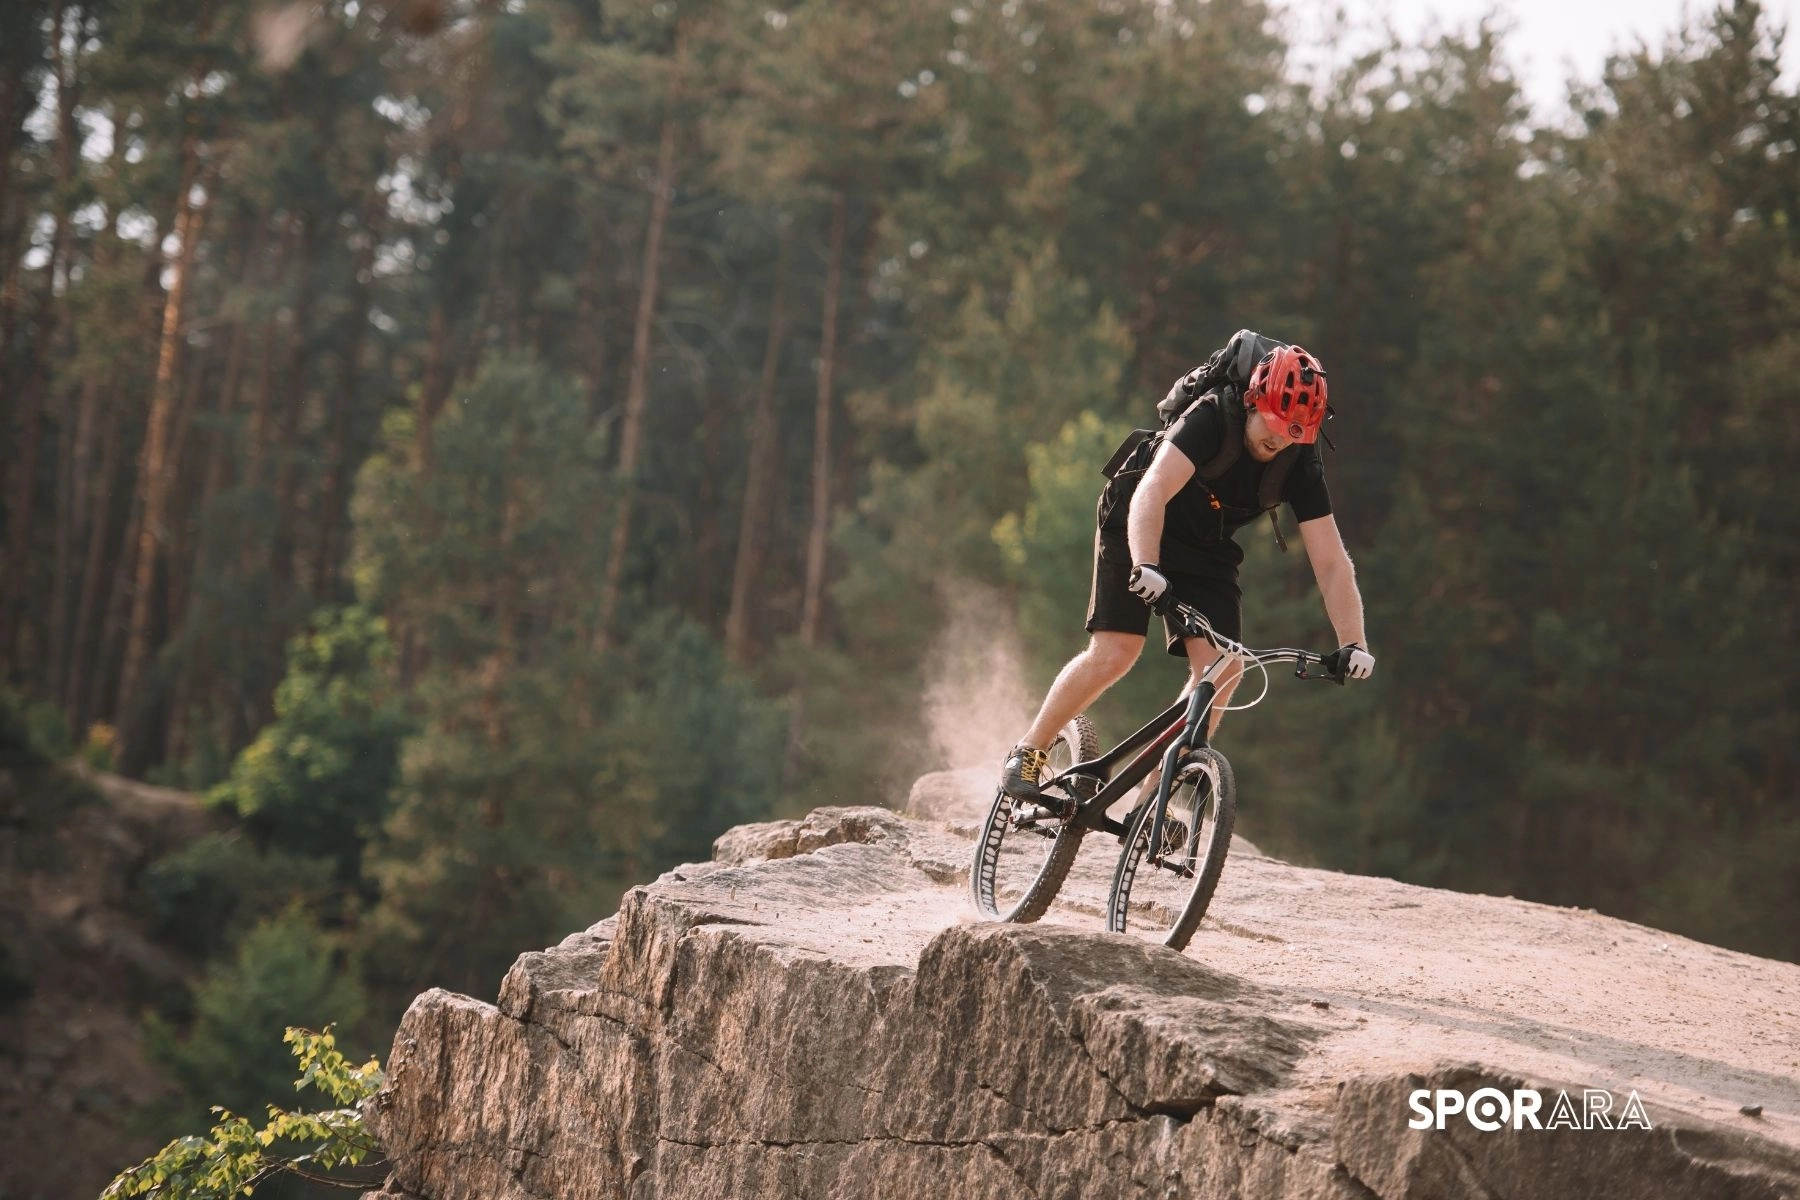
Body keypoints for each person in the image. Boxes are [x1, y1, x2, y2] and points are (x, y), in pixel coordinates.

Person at [1000, 342, 1374, 802]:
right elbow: (1151, 493)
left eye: (1293, 433)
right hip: (1136, 521)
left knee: (1224, 666)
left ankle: (1152, 802)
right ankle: (1030, 751)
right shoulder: (1212, 417)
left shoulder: (1300, 459)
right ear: (1254, 399)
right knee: (1116, 651)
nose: (1279, 441)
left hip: (1206, 546)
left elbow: (1331, 561)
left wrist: (1352, 640)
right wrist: (1145, 566)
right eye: (1274, 425)